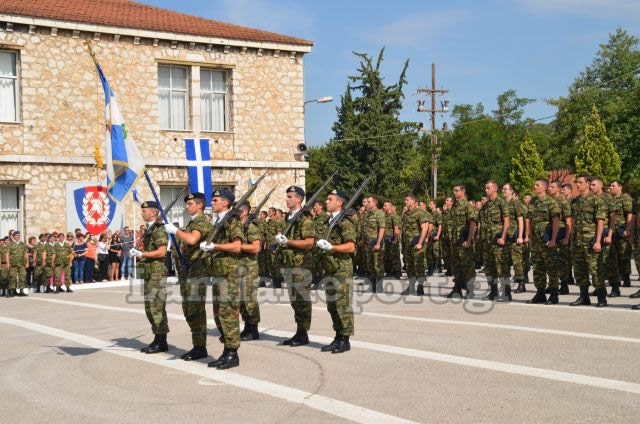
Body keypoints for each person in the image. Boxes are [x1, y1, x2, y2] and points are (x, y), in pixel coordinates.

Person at [197, 189, 243, 369]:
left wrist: (215, 246)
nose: (212, 203)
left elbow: (237, 246)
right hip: (218, 273)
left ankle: (233, 353)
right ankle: (226, 350)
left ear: (225, 203)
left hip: (229, 274)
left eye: (215, 200)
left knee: (228, 313)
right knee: (218, 314)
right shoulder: (217, 221)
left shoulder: (233, 220)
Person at [165, 192, 212, 362]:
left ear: (200, 205)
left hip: (197, 272)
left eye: (190, 203)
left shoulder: (201, 221)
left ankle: (200, 347)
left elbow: (192, 240)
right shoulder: (192, 222)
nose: (186, 207)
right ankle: (197, 345)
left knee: (195, 310)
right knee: (188, 309)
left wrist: (176, 231)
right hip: (188, 271)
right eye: (186, 204)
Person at [316, 189, 357, 353]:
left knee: (342, 305)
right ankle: (338, 336)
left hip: (341, 269)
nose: (326, 202)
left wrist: (333, 247)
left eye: (330, 199)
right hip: (330, 267)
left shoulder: (344, 222)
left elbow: (351, 246)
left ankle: (345, 339)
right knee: (332, 305)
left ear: (339, 202)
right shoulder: (328, 221)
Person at [275, 186, 315, 347]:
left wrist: (288, 242)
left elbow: (309, 243)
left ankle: (303, 333)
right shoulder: (288, 219)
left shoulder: (305, 219)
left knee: (302, 301)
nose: (287, 199)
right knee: (294, 301)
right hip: (289, 265)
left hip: (301, 266)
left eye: (290, 197)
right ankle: (299, 332)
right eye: (287, 196)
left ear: (299, 199)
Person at [130, 201, 170, 354]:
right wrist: (141, 255)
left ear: (153, 213)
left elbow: (161, 252)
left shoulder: (158, 230)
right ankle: (158, 338)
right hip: (149, 272)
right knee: (150, 308)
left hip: (156, 274)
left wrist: (143, 254)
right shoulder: (149, 229)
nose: (142, 213)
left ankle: (161, 340)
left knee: (156, 307)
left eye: (144, 211)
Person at [570, 174, 606, 307]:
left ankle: (602, 298)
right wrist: (571, 240)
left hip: (591, 241)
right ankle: (584, 297)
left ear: (588, 184)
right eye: (576, 182)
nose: (577, 185)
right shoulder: (574, 201)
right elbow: (572, 222)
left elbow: (600, 221)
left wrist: (598, 241)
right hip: (577, 241)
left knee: (595, 269)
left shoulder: (596, 200)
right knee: (580, 271)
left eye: (580, 182)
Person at [525, 179, 561, 304]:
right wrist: (529, 238)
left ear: (544, 187)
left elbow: (556, 221)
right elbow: (529, 220)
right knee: (537, 267)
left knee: (551, 267)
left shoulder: (551, 202)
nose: (535, 186)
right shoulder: (533, 202)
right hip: (536, 241)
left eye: (537, 185)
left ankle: (554, 294)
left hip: (547, 240)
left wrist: (553, 239)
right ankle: (540, 293)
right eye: (534, 184)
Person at [236, 201, 262, 341]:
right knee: (240, 300)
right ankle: (247, 326)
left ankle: (253, 328)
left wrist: (238, 246)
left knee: (249, 299)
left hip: (249, 268)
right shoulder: (236, 227)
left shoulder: (251, 227)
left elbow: (255, 248)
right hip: (237, 267)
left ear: (245, 212)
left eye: (237, 210)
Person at [481, 180, 511, 301]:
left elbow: (506, 220)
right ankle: (493, 292)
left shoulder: (501, 202)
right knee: (489, 267)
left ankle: (506, 292)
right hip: (488, 241)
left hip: (498, 240)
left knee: (501, 267)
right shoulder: (487, 205)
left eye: (488, 188)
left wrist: (503, 237)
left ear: (495, 189)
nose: (486, 190)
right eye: (485, 188)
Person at [447, 185, 478, 299]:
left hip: (464, 241)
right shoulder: (454, 206)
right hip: (455, 241)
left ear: (463, 191)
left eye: (456, 190)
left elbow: (473, 223)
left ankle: (470, 290)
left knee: (467, 266)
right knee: (456, 266)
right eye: (453, 190)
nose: (454, 192)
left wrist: (469, 239)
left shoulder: (467, 206)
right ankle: (457, 289)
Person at [400, 194, 430, 296]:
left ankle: (420, 287)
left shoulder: (420, 213)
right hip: (407, 244)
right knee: (409, 266)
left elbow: (425, 228)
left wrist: (420, 243)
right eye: (405, 200)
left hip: (417, 243)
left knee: (419, 266)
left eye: (407, 200)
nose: (405, 202)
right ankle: (411, 286)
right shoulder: (406, 214)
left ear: (413, 201)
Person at [363, 196, 386, 292]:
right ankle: (372, 285)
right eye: (366, 202)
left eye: (369, 202)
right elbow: (364, 230)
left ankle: (380, 286)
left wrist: (378, 243)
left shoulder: (379, 213)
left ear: (374, 203)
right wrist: (364, 243)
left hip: (376, 243)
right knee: (370, 265)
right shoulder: (366, 214)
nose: (367, 203)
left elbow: (382, 228)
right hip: (368, 244)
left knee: (378, 265)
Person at [7, 230, 29, 297]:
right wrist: (8, 263)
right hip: (13, 264)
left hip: (22, 264)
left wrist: (27, 262)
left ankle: (21, 291)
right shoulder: (10, 244)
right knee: (12, 277)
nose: (17, 237)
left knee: (22, 277)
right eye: (16, 236)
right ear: (13, 237)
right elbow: (7, 254)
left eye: (18, 235)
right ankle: (12, 291)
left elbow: (26, 254)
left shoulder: (23, 244)